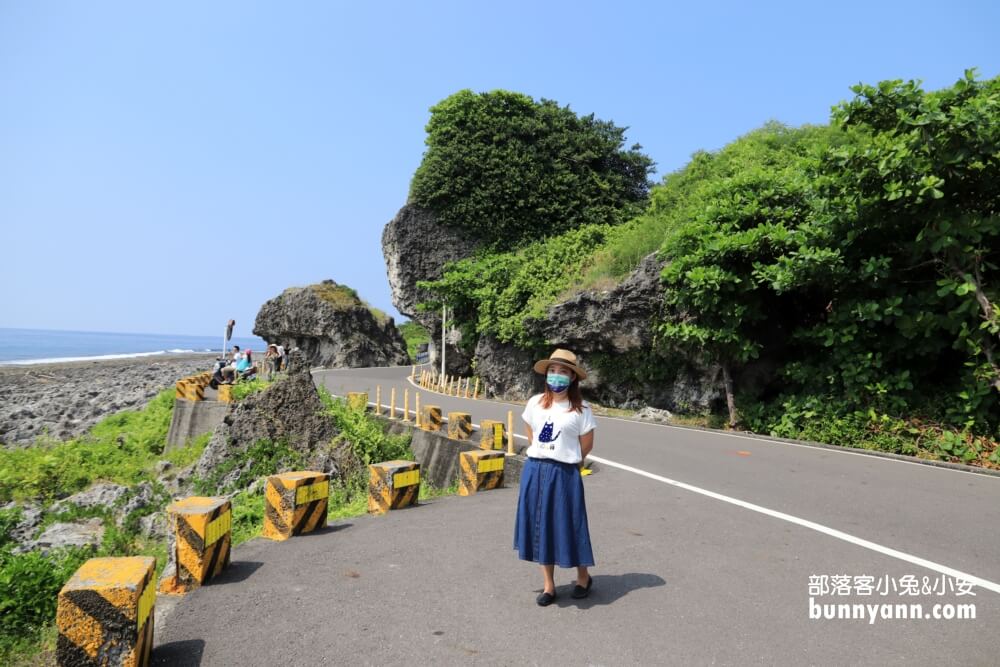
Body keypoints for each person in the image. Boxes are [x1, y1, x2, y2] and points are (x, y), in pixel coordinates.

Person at [514, 348, 596, 606]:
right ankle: (549, 586)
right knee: (539, 525)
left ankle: (583, 577)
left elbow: (587, 445)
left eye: (563, 372)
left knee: (571, 524)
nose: (556, 376)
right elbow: (531, 433)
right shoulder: (535, 402)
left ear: (573, 377)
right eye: (552, 370)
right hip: (535, 469)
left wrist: (564, 458)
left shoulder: (581, 409)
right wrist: (545, 453)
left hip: (565, 473)